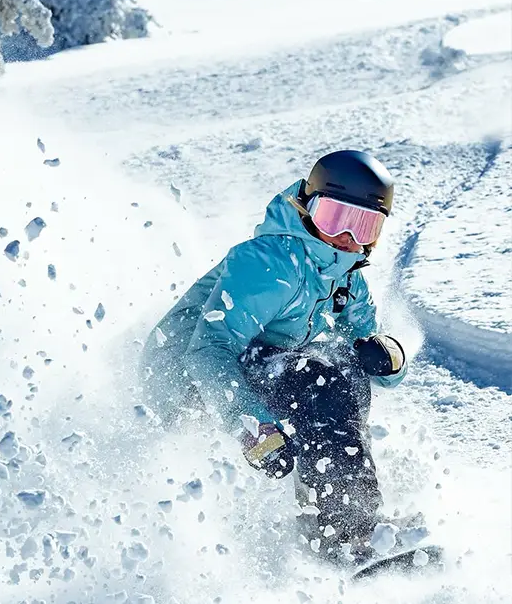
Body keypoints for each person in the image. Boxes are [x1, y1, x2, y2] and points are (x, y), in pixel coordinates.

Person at [141, 150, 410, 564]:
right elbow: (208, 349)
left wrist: (387, 355)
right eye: (335, 218)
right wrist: (254, 430)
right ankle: (346, 534)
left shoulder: (346, 278)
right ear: (307, 208)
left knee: (346, 371)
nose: (347, 239)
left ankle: (333, 521)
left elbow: (370, 350)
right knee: (320, 384)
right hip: (183, 380)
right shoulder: (270, 262)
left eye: (364, 226)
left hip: (242, 365)